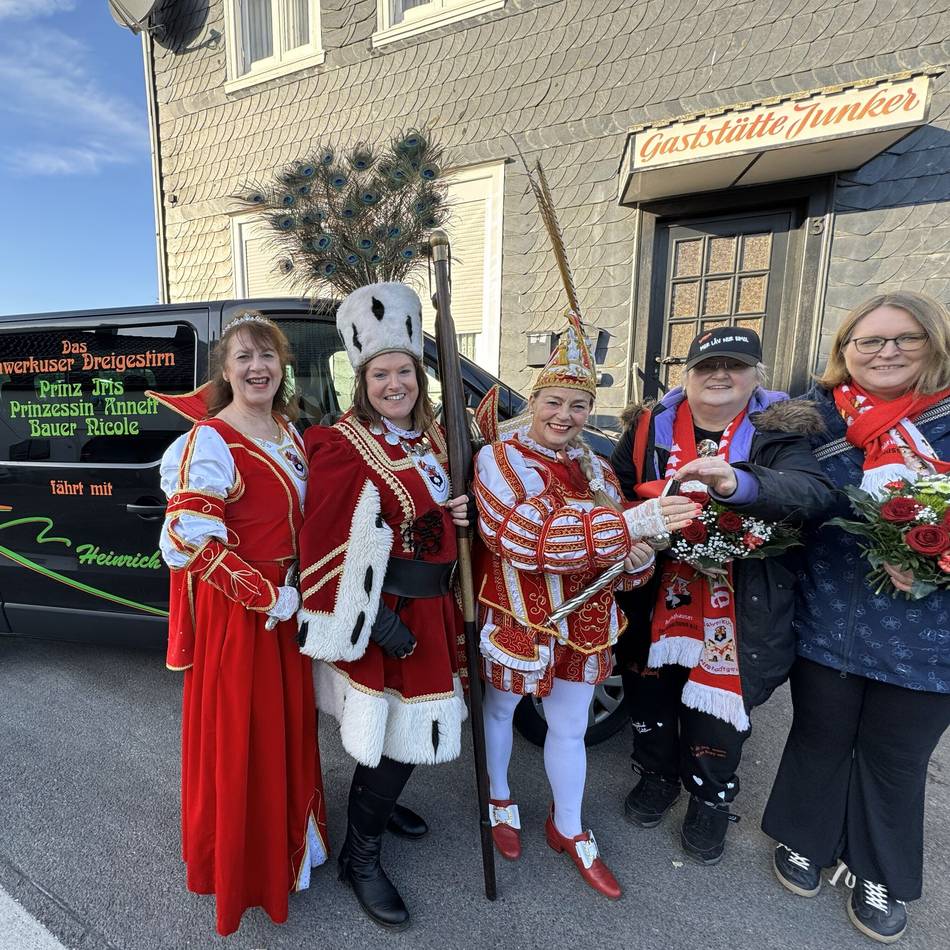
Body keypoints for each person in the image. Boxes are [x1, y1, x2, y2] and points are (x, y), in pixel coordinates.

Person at [471, 311, 701, 899]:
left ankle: (567, 826)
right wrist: (630, 526)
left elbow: (628, 553)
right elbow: (524, 537)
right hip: (522, 612)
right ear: (535, 400)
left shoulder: (598, 466)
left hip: (587, 620)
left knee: (570, 725)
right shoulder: (499, 459)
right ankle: (499, 797)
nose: (564, 416)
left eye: (577, 405)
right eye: (553, 401)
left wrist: (638, 555)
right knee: (501, 709)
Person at [762, 291, 950, 944]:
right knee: (819, 737)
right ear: (844, 352)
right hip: (829, 617)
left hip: (928, 641)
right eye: (868, 342)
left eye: (905, 339)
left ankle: (877, 871)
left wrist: (941, 560)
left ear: (934, 342)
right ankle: (802, 838)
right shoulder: (812, 418)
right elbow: (786, 492)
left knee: (894, 760)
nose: (887, 352)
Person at [610, 325, 833, 867]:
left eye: (734, 366)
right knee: (648, 690)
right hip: (652, 592)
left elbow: (814, 495)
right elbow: (613, 486)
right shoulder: (649, 427)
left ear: (756, 375)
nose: (719, 375)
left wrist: (738, 485)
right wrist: (625, 530)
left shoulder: (778, 431)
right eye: (707, 367)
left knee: (719, 709)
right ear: (685, 376)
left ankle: (711, 798)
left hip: (742, 597)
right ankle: (658, 774)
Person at [296, 282, 470, 932]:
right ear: (361, 379)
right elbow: (325, 542)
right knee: (393, 740)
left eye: (403, 371)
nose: (393, 383)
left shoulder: (426, 441)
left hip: (435, 609)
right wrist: (376, 621)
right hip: (386, 615)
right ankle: (359, 856)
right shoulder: (342, 443)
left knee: (399, 733)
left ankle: (378, 803)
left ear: (417, 378)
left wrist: (458, 514)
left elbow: (424, 517)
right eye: (380, 374)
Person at [153, 312, 326, 937]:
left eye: (268, 357)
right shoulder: (209, 441)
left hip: (289, 607)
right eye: (244, 358)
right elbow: (189, 539)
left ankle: (289, 845)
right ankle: (245, 866)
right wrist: (266, 595)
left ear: (283, 368)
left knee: (284, 728)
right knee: (244, 735)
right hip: (245, 617)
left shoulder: (287, 428)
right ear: (225, 372)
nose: (258, 368)